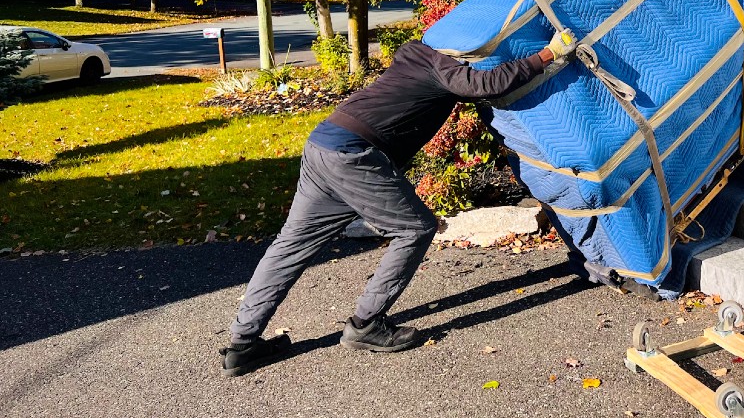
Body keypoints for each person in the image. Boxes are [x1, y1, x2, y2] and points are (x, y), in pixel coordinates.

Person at [220, 30, 578, 377]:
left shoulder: (416, 53)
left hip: (323, 143)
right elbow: (487, 84)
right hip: (353, 154)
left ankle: (242, 343)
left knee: (291, 245)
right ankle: (366, 324)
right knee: (416, 228)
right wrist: (548, 54)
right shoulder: (441, 64)